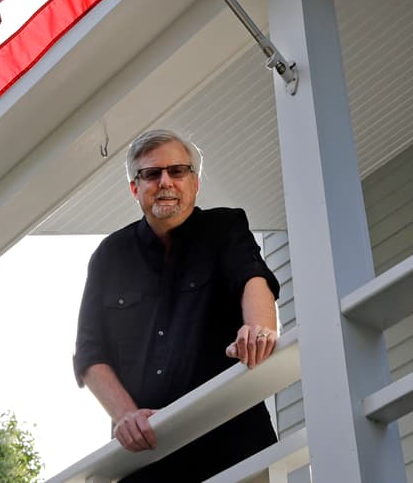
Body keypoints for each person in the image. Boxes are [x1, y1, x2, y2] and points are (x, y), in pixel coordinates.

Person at [73, 128, 281, 482]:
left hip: (233, 444)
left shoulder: (225, 227)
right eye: (151, 174)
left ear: (195, 182)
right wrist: (126, 416)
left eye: (177, 171)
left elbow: (251, 278)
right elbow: (90, 352)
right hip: (146, 459)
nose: (165, 181)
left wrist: (260, 328)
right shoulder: (109, 256)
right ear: (134, 188)